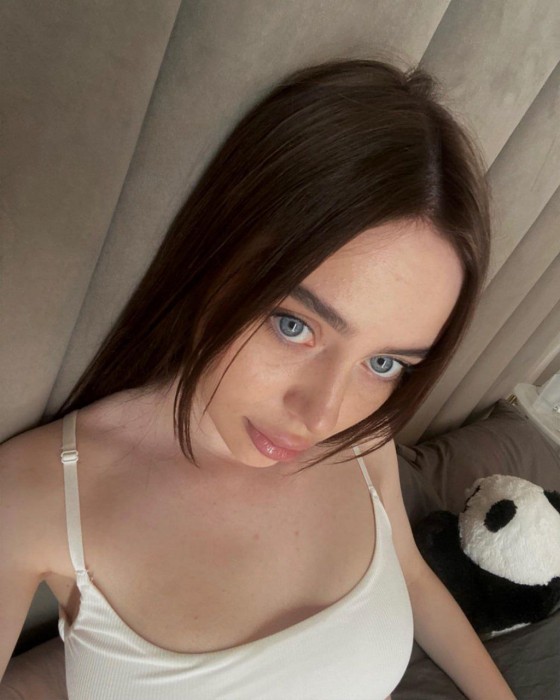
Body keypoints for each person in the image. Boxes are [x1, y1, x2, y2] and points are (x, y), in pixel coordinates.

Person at [0, 58, 516, 699]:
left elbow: (410, 576)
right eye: (294, 325)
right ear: (213, 252)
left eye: (384, 363)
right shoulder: (36, 495)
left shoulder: (363, 440)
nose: (322, 416)